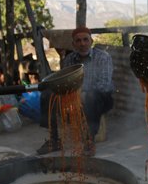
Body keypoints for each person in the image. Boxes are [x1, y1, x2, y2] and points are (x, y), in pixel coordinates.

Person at [36, 26, 114, 156]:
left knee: (90, 97)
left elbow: (104, 85)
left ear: (91, 41)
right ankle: (54, 140)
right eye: (78, 41)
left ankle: (89, 142)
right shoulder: (69, 59)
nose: (82, 43)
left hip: (101, 98)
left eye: (85, 40)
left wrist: (82, 93)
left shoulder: (103, 57)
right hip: (74, 96)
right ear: (73, 44)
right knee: (47, 95)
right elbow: (64, 83)